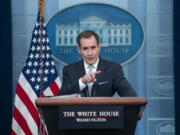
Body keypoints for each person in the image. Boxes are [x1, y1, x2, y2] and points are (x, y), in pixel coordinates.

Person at [60, 30, 137, 97]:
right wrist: (82, 81)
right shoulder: (69, 70)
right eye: (85, 48)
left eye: (93, 48)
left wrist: (137, 109)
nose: (90, 53)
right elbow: (62, 97)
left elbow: (130, 96)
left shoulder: (113, 69)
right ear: (79, 50)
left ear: (99, 47)